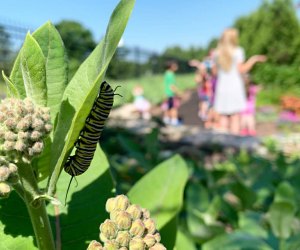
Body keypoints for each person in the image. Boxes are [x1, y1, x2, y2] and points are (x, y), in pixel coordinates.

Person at [212, 28, 266, 134]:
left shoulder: (216, 53)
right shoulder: (238, 51)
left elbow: (214, 72)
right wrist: (253, 59)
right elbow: (242, 69)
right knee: (235, 117)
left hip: (222, 87)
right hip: (234, 86)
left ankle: (223, 144)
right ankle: (234, 145)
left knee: (223, 115)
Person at [163, 60, 181, 126]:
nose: (176, 66)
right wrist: (178, 93)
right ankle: (174, 121)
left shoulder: (166, 73)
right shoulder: (171, 74)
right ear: (171, 66)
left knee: (168, 107)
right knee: (174, 107)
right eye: (175, 65)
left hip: (167, 93)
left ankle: (167, 120)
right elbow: (172, 86)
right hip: (171, 94)